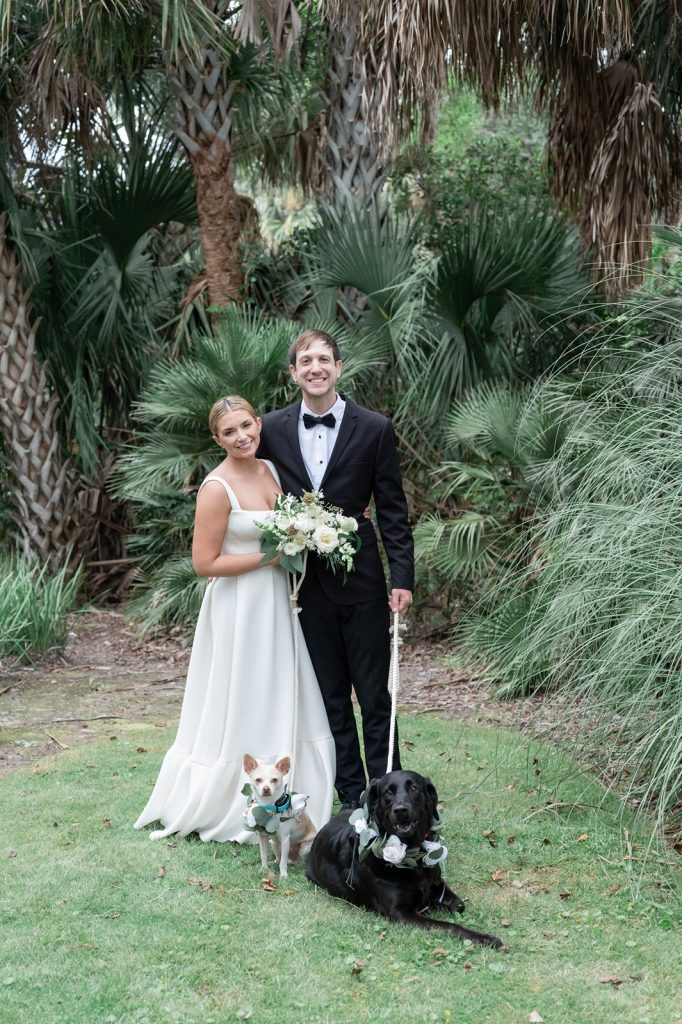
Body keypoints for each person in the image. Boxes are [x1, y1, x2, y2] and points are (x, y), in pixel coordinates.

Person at [134, 395, 335, 841]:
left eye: (246, 426)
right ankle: (230, 798)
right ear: (216, 438)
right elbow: (205, 563)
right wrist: (269, 559)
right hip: (239, 606)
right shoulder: (215, 487)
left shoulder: (271, 470)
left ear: (258, 424)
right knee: (242, 688)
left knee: (278, 685)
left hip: (278, 605)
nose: (241, 436)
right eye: (229, 432)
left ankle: (288, 790)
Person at [258, 330, 414, 810]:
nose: (315, 367)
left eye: (324, 359)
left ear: (339, 367)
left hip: (364, 580)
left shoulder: (374, 428)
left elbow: (391, 508)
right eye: (306, 360)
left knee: (373, 695)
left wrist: (402, 577)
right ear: (293, 372)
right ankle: (349, 798)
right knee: (329, 698)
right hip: (303, 582)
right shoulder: (269, 428)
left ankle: (392, 795)